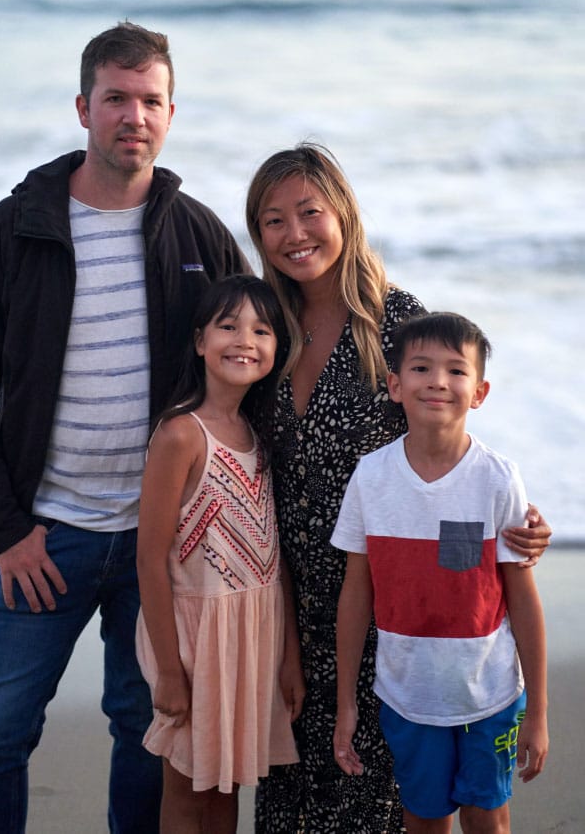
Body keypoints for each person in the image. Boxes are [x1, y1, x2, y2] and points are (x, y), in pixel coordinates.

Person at [0, 21, 249, 834]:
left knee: (144, 729)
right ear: (83, 108)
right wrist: (7, 532)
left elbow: (259, 359)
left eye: (150, 100)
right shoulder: (16, 228)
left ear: (172, 112)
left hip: (163, 542)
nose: (133, 116)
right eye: (116, 98)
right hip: (47, 538)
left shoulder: (198, 234)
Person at [244, 142, 552, 833]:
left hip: (398, 612)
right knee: (295, 799)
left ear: (343, 215)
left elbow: (450, 433)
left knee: (399, 804)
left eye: (309, 212)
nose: (294, 233)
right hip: (289, 599)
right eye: (273, 219)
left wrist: (518, 519)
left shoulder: (396, 321)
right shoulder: (265, 325)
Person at [332, 311, 549, 833]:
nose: (437, 381)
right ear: (394, 385)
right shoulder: (371, 477)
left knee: (487, 818)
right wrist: (345, 704)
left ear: (479, 392)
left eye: (456, 370)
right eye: (421, 368)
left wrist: (538, 713)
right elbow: (356, 594)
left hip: (491, 694)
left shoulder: (498, 478)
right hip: (407, 695)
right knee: (424, 821)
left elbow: (522, 598)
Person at [135, 274, 304, 834]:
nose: (244, 341)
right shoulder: (181, 435)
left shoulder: (257, 432)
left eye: (261, 330)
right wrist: (169, 672)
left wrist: (289, 655)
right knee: (187, 788)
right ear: (200, 341)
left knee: (226, 783)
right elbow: (149, 560)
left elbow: (272, 556)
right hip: (195, 639)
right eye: (228, 326)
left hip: (253, 635)